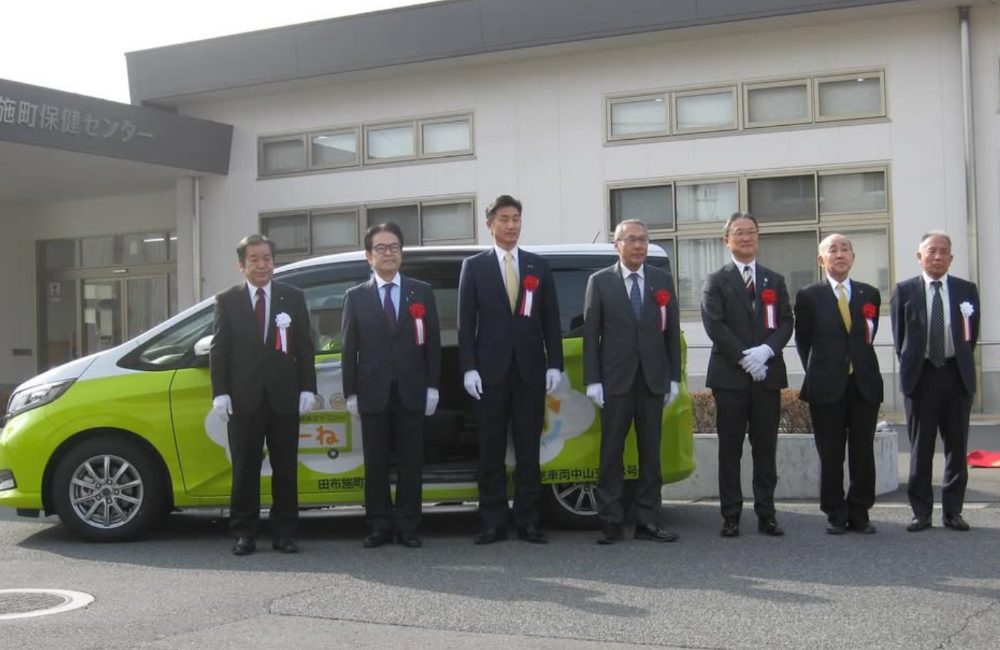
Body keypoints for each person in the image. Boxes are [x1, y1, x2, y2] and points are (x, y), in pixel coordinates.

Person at [457, 194, 563, 545]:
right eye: (504, 218)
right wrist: (469, 368)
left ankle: (529, 521)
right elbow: (464, 324)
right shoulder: (474, 267)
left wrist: (555, 365)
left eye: (516, 218)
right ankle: (492, 521)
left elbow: (550, 320)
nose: (511, 225)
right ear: (490, 225)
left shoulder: (538, 266)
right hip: (489, 375)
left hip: (530, 372)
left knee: (528, 449)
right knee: (490, 450)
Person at [210, 233, 317, 556]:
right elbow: (220, 349)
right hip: (243, 400)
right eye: (254, 259)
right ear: (241, 265)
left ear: (274, 262)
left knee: (286, 468)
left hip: (284, 398)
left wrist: (307, 387)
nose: (262, 264)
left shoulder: (292, 297)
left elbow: (304, 347)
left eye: (267, 258)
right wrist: (221, 393)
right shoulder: (227, 300)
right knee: (245, 469)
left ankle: (285, 532)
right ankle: (244, 532)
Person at [341, 222, 441, 548]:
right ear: (368, 256)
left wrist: (433, 386)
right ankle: (379, 524)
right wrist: (350, 393)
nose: (389, 254)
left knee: (412, 462)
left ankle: (409, 524)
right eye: (381, 248)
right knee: (376, 463)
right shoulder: (355, 297)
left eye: (394, 247)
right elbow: (348, 349)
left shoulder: (421, 291)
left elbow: (433, 345)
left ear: (401, 253)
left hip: (411, 390)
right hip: (373, 392)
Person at [583, 219, 681, 545]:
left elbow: (670, 334)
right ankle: (610, 521)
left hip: (652, 380)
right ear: (617, 245)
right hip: (615, 382)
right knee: (611, 453)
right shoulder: (600, 282)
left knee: (650, 454)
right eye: (631, 240)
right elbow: (590, 336)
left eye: (643, 240)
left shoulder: (662, 280)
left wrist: (674, 377)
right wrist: (592, 380)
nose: (638, 245)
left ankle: (648, 520)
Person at [701, 212, 792, 538]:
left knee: (766, 446)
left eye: (751, 232)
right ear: (727, 240)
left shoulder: (774, 280)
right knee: (731, 448)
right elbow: (715, 325)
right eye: (738, 233)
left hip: (767, 374)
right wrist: (743, 357)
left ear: (758, 237)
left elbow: (785, 322)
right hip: (730, 377)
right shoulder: (716, 280)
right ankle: (731, 515)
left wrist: (765, 352)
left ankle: (767, 513)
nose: (745, 238)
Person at [891, 231, 980, 532]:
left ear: (951, 258)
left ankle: (953, 511)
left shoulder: (966, 290)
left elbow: (972, 335)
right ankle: (921, 512)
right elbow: (899, 338)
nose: (938, 256)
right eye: (931, 251)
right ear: (920, 256)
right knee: (921, 447)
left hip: (956, 375)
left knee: (957, 446)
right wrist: (915, 366)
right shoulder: (905, 291)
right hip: (922, 375)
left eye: (944, 251)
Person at [794, 234, 882, 535]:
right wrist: (820, 371)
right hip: (826, 386)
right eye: (833, 250)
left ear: (853, 257)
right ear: (822, 260)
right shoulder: (808, 296)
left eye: (845, 249)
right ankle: (834, 511)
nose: (840, 254)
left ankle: (860, 511)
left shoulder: (869, 293)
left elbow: (868, 337)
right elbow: (803, 341)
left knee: (862, 451)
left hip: (864, 384)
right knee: (830, 453)